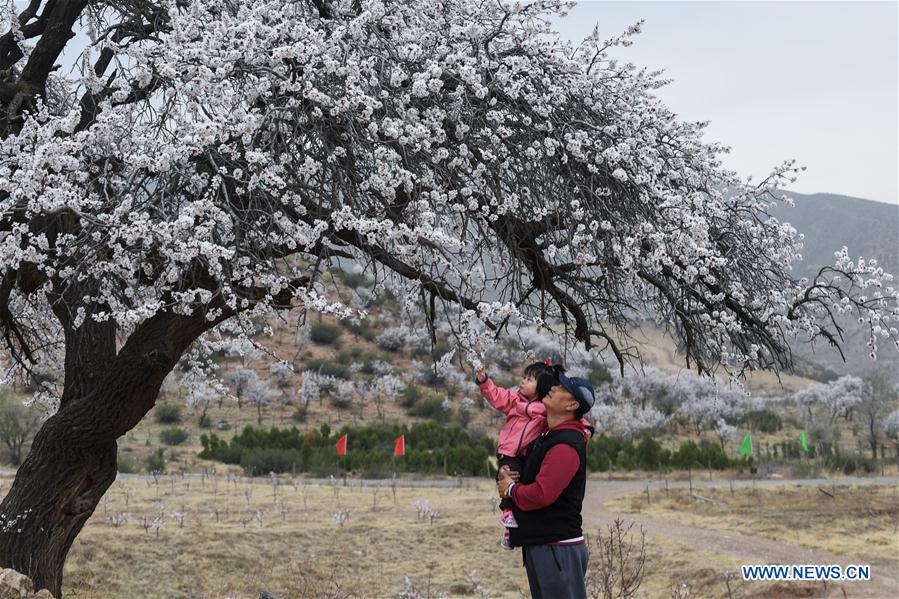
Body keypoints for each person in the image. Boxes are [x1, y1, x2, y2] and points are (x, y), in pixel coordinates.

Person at [496, 371, 596, 599]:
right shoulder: (550, 435)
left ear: (572, 404)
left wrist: (510, 489)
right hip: (545, 545)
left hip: (557, 548)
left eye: (562, 388)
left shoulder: (565, 445)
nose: (553, 388)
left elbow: (542, 494)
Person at [475, 360, 554, 548]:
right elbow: (496, 395)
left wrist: (586, 428)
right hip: (508, 453)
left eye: (529, 379)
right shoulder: (514, 400)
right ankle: (507, 523)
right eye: (524, 377)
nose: (523, 381)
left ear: (542, 386)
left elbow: (568, 415)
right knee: (507, 482)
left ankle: (515, 531)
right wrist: (484, 380)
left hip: (526, 456)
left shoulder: (545, 408)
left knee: (522, 489)